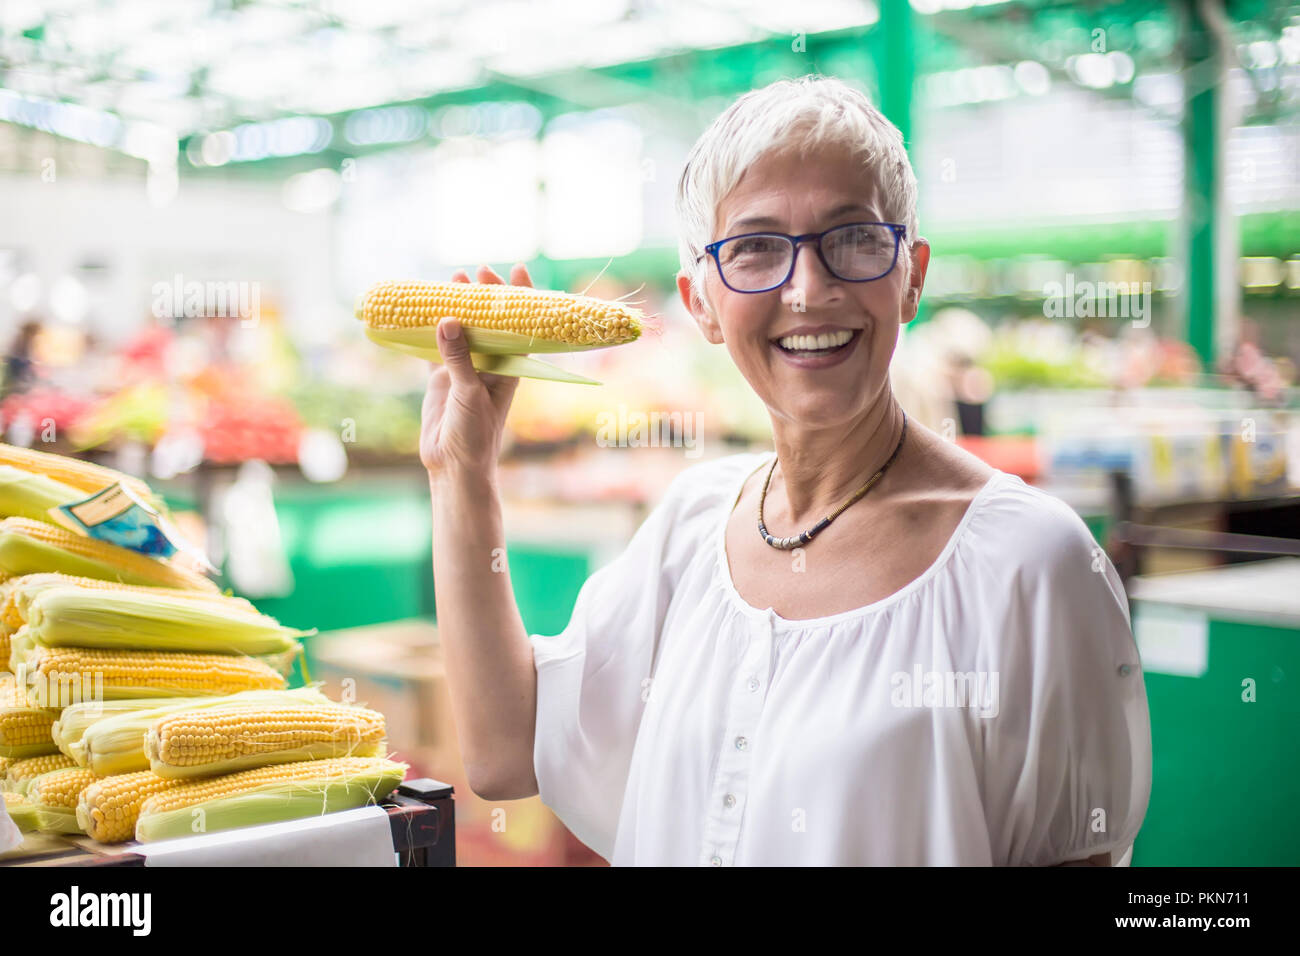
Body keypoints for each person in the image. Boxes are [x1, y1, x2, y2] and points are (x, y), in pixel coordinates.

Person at [422, 75, 1152, 866]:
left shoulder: (1030, 564)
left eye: (853, 237)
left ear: (912, 275)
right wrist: (462, 473)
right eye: (756, 247)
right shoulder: (692, 524)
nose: (809, 290)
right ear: (700, 302)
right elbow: (503, 753)